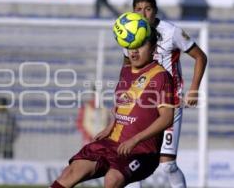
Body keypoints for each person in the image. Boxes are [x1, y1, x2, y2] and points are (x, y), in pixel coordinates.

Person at [50, 26, 175, 188]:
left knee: (112, 179)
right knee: (71, 172)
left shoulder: (161, 76)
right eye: (131, 46)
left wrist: (135, 139)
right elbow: (123, 104)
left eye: (140, 46)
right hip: (112, 143)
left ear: (153, 48)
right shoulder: (126, 71)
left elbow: (167, 118)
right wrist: (110, 127)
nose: (134, 52)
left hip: (141, 150)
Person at [123, 0, 207, 188]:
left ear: (155, 11)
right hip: (142, 105)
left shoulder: (172, 32)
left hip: (170, 103)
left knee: (167, 164)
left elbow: (200, 57)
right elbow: (128, 69)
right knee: (133, 160)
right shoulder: (129, 34)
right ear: (133, 11)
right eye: (138, 9)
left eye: (148, 9)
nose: (143, 14)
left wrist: (194, 88)